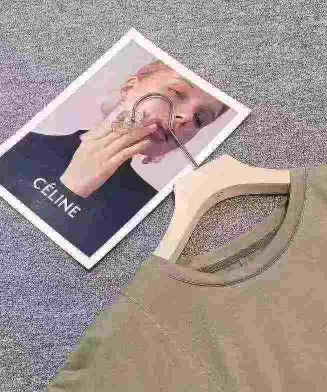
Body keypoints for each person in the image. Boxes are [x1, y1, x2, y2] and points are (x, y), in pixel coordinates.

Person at [0, 59, 229, 257]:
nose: (186, 117)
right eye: (177, 93)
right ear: (129, 87)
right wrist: (69, 188)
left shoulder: (152, 214)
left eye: (199, 119)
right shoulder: (18, 146)